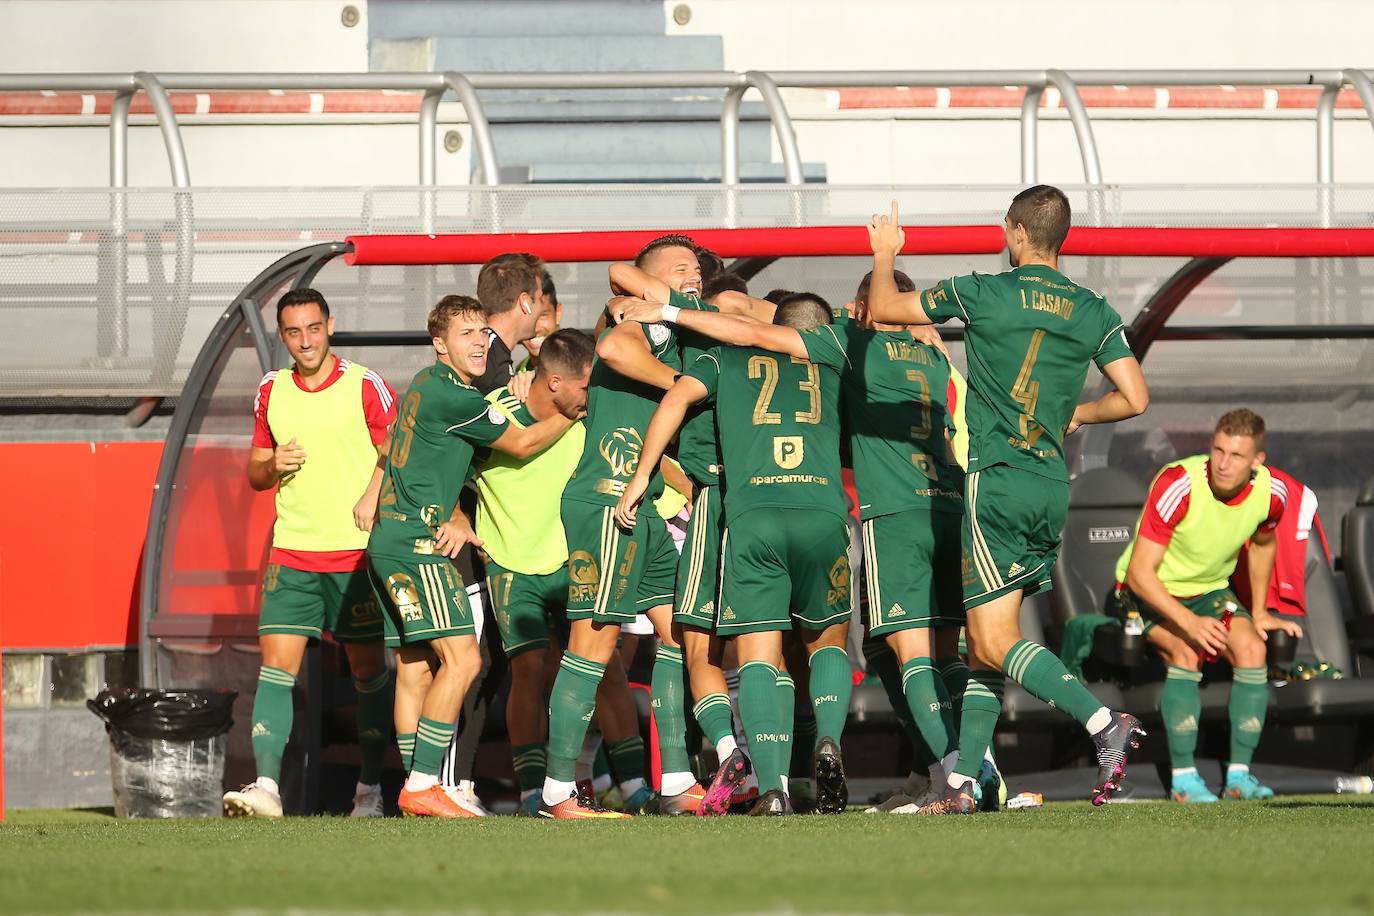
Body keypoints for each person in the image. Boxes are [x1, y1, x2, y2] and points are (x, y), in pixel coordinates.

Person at [866, 187, 1151, 813]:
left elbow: (885, 304)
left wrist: (885, 252)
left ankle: (1104, 723)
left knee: (992, 643)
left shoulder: (983, 291)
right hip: (1050, 485)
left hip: (995, 480)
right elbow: (1133, 399)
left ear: (1015, 232)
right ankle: (965, 783)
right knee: (984, 643)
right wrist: (1078, 413)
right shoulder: (1092, 309)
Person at [616, 293, 857, 816]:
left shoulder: (726, 358)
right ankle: (829, 739)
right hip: (822, 510)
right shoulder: (839, 351)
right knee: (826, 643)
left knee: (750, 655)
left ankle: (771, 787)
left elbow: (677, 399)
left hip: (750, 514)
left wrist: (640, 476)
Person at [367, 295, 576, 818]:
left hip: (389, 542)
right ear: (440, 344)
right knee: (464, 661)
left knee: (415, 668)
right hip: (418, 547)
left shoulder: (424, 383)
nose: (480, 341)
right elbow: (524, 443)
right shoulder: (458, 398)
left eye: (483, 332)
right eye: (466, 334)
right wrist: (578, 409)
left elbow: (415, 446)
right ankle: (423, 786)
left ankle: (423, 786)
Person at [537, 236, 712, 819]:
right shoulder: (630, 316)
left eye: (697, 270)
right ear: (643, 281)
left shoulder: (677, 327)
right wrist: (682, 386)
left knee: (674, 636)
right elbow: (610, 345)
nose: (693, 277)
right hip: (607, 502)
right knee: (593, 645)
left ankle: (676, 782)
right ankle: (558, 792)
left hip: (644, 508)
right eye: (679, 268)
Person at [224, 288, 396, 819]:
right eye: (294, 332)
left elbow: (397, 455)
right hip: (292, 552)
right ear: (283, 336)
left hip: (356, 557)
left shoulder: (365, 385)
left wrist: (371, 494)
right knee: (276, 671)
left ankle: (369, 790)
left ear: (330, 325)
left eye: (314, 328)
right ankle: (267, 787)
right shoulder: (271, 390)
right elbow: (254, 473)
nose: (305, 341)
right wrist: (273, 463)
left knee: (369, 672)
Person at [1111, 409, 1302, 802]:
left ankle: (1239, 777)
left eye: (1236, 455)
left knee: (1253, 648)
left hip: (1210, 591)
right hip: (1145, 593)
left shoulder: (1273, 492)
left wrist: (1261, 609)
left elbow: (1265, 542)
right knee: (1186, 649)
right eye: (1218, 450)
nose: (1223, 463)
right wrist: (1190, 623)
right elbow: (1140, 576)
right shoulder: (1178, 483)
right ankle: (1184, 779)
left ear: (1257, 461)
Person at [841, 270, 973, 811]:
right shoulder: (940, 359)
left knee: (897, 648)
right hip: (948, 505)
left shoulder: (859, 354)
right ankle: (943, 769)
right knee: (947, 653)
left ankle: (955, 777)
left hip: (892, 512)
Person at [470, 329, 595, 815]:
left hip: (573, 560)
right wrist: (459, 518)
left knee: (599, 672)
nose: (592, 394)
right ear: (557, 382)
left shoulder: (590, 407)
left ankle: (622, 784)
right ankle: (530, 791)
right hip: (510, 560)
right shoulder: (496, 409)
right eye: (585, 386)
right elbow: (454, 469)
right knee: (528, 671)